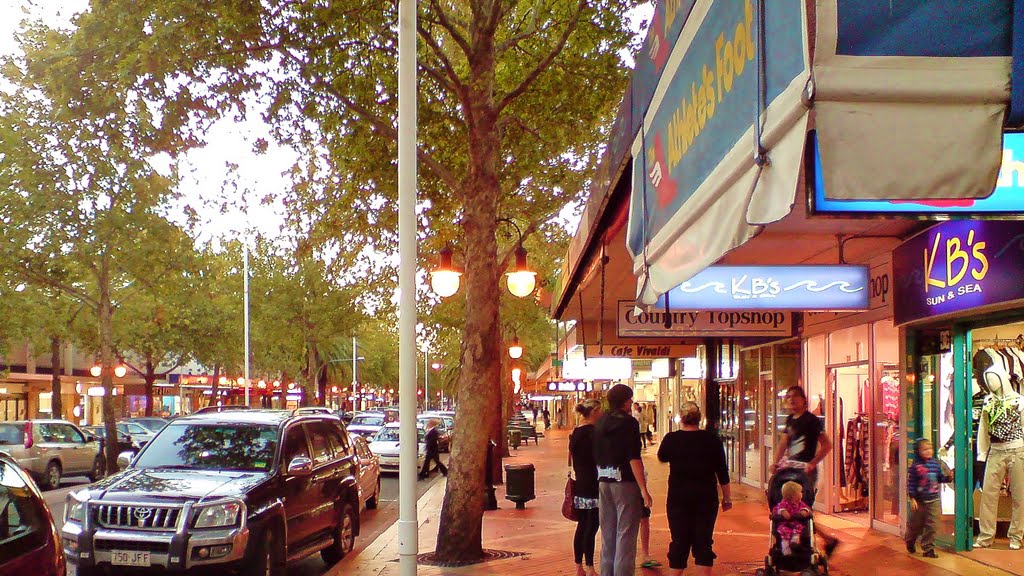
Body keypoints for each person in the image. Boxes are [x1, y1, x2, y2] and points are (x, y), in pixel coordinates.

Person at [657, 402, 732, 576]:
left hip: (678, 497)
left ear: (681, 419)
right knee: (704, 541)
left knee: (679, 540)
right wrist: (727, 498)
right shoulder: (712, 440)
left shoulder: (671, 439)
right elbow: (722, 471)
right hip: (706, 497)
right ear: (700, 419)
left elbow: (662, 456)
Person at [771, 385, 840, 556]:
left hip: (806, 472)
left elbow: (827, 445)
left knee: (802, 508)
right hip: (790, 471)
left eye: (795, 396)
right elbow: (784, 442)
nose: (791, 400)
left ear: (803, 400)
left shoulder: (812, 421)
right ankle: (817, 541)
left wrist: (813, 463)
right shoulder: (790, 419)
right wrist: (776, 462)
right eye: (788, 397)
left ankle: (807, 543)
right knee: (790, 507)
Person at [595, 384, 652, 576]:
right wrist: (643, 489)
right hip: (625, 481)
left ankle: (606, 572)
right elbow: (633, 457)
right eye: (630, 399)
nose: (631, 402)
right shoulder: (629, 423)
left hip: (603, 479)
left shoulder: (601, 421)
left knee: (608, 533)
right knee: (626, 534)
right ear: (625, 401)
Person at [569, 399, 602, 576]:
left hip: (580, 483)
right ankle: (589, 565)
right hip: (594, 483)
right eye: (600, 411)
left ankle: (578, 566)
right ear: (594, 411)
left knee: (582, 525)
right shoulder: (594, 433)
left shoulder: (575, 432)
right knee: (592, 525)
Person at [906, 438, 953, 558]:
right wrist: (912, 498)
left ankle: (928, 548)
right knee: (916, 524)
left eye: (930, 449)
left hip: (934, 500)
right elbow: (911, 483)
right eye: (925, 449)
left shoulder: (935, 464)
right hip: (920, 501)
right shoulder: (915, 466)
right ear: (918, 451)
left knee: (932, 525)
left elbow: (939, 478)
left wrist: (948, 478)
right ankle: (910, 540)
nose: (928, 451)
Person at [773, 481, 811, 556]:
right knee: (784, 534)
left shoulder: (800, 504)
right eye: (800, 492)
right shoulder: (783, 503)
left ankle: (795, 541)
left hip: (796, 524)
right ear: (793, 495)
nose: (802, 494)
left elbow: (806, 508)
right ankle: (786, 550)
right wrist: (782, 511)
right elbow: (776, 509)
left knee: (798, 529)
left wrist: (805, 511)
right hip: (785, 524)